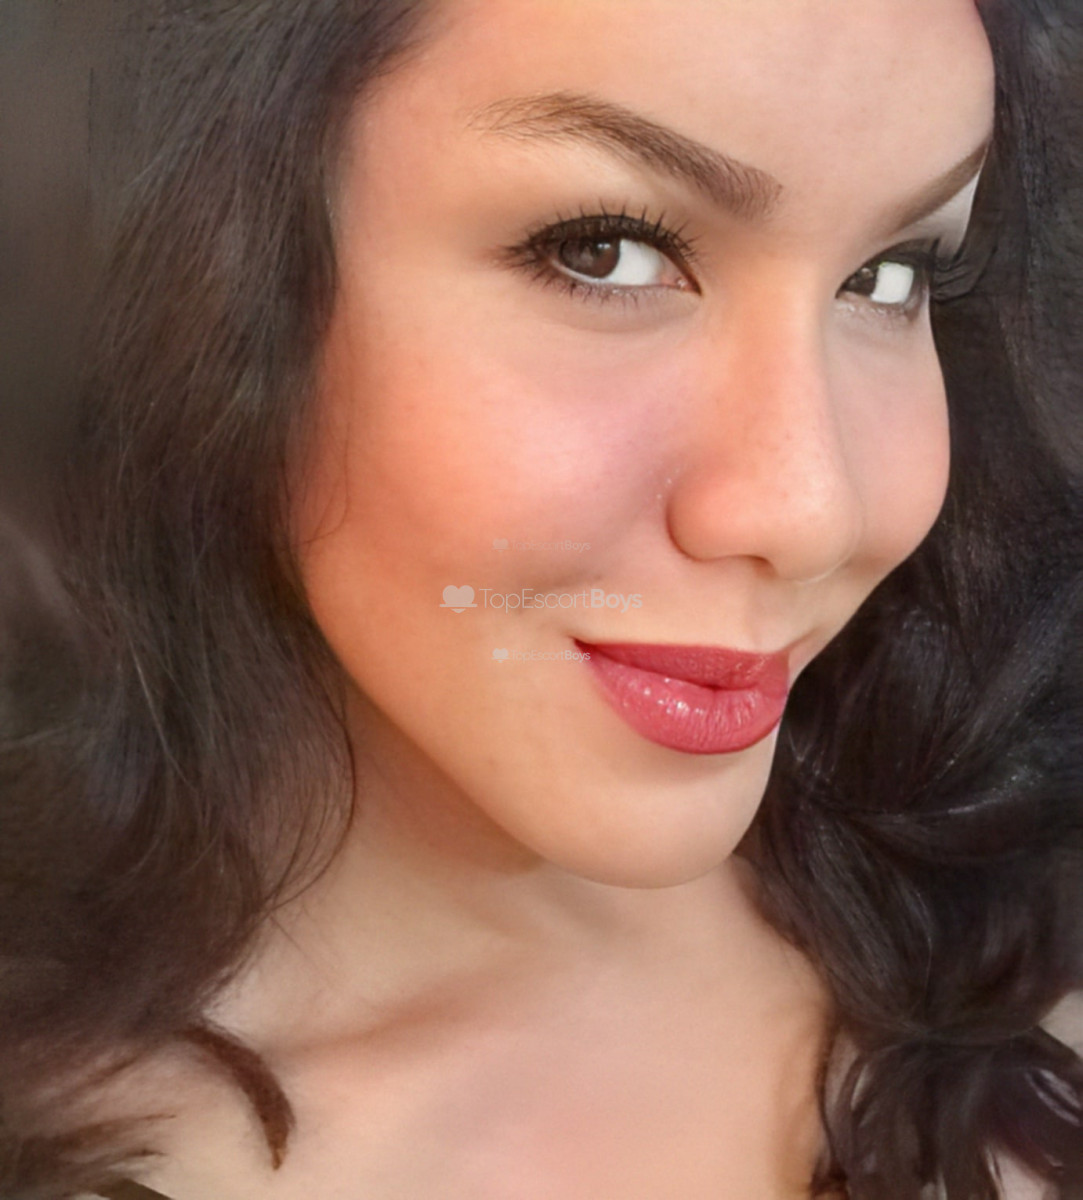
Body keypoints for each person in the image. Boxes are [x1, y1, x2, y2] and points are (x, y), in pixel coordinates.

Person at [0, 0, 1080, 1197]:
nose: (809, 511)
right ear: (183, 266)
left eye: (890, 275)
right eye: (604, 252)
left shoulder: (1023, 941)